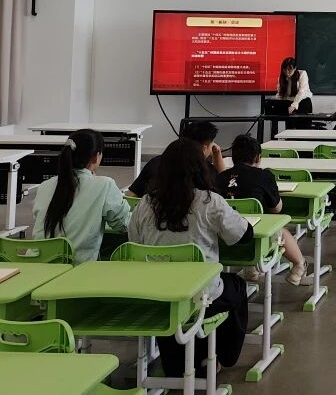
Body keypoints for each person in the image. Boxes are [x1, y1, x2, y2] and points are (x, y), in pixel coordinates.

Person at [129, 138, 250, 378]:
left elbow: (134, 242)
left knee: (176, 305)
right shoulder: (209, 201)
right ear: (200, 167)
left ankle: (176, 363)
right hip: (200, 294)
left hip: (157, 292)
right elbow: (243, 235)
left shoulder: (146, 203)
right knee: (236, 286)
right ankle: (222, 356)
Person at [217, 134, 309, 285]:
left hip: (224, 240)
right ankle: (299, 265)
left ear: (233, 157)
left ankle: (251, 270)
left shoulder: (220, 177)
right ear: (258, 157)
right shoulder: (264, 176)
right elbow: (276, 209)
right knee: (279, 228)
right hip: (256, 238)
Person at [31, 129, 131, 263]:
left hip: (36, 265)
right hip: (76, 268)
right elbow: (124, 224)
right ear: (96, 156)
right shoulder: (104, 185)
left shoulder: (45, 186)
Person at [126, 120, 224, 198]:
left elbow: (131, 195)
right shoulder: (206, 169)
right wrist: (217, 153)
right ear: (204, 148)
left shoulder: (156, 162)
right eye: (212, 144)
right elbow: (226, 181)